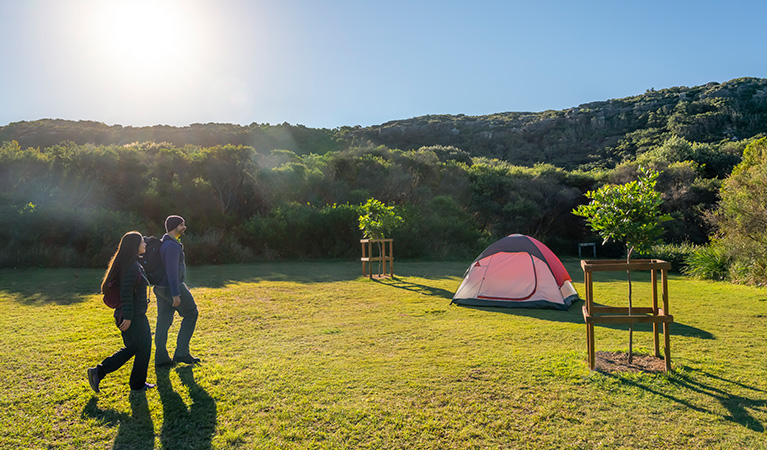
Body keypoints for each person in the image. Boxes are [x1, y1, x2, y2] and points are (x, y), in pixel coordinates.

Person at [87, 231, 155, 393]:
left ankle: (99, 372)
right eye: (142, 242)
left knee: (134, 347)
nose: (145, 244)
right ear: (134, 246)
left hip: (126, 314)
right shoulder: (131, 267)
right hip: (132, 316)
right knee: (144, 347)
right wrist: (130, 316)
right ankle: (137, 384)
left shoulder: (130, 264)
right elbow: (126, 292)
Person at [154, 215, 200, 367]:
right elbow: (172, 271)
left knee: (164, 321)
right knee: (191, 314)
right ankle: (181, 353)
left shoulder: (165, 243)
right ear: (175, 227)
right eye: (182, 225)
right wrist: (176, 294)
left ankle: (161, 357)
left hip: (160, 287)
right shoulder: (172, 246)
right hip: (171, 286)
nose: (184, 227)